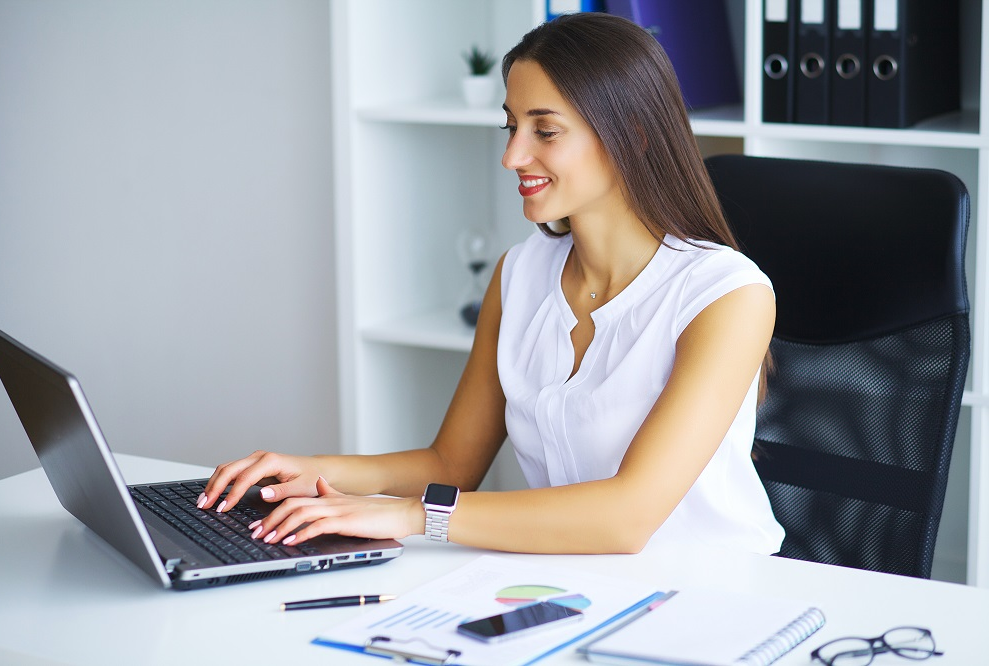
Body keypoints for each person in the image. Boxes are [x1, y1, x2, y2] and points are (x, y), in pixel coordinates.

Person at [199, 12, 784, 555]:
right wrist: (312, 470)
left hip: (713, 591)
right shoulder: (520, 274)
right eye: (511, 126)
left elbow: (626, 518)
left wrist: (410, 515)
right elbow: (451, 462)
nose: (512, 156)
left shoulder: (726, 296)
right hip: (580, 584)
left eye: (544, 130)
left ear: (631, 133)